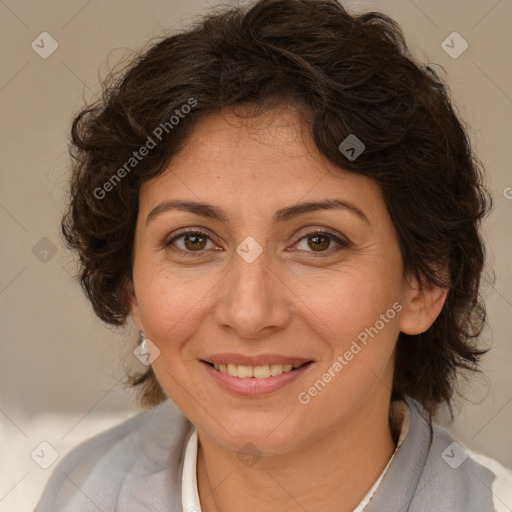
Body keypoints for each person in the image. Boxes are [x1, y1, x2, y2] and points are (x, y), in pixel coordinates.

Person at [35, 0, 512, 510]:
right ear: (131, 288)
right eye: (193, 241)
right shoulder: (73, 488)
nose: (248, 312)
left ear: (423, 282)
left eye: (318, 241)